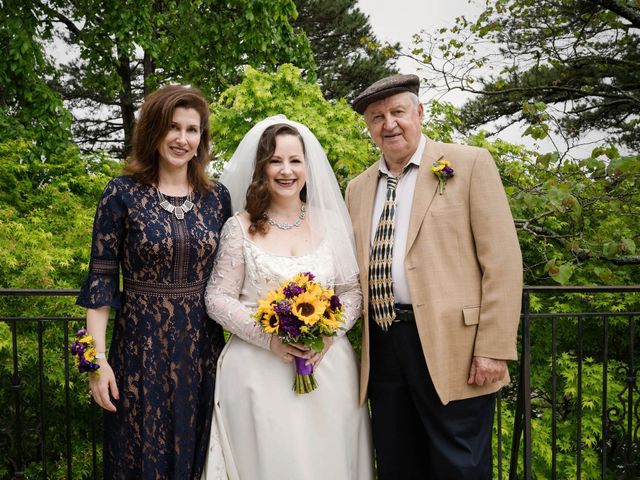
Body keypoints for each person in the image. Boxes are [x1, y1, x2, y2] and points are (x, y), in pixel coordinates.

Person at [345, 74, 523, 479]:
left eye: (397, 112)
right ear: (369, 128)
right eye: (377, 117)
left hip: (454, 348)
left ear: (420, 113)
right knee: (396, 461)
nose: (388, 124)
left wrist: (492, 347)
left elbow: (503, 262)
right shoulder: (357, 188)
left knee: (459, 464)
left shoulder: (469, 164)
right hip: (384, 345)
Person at [202, 116, 373, 480]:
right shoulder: (240, 226)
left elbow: (352, 291)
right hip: (257, 376)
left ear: (308, 167)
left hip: (328, 368)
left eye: (295, 160)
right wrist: (270, 338)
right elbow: (217, 297)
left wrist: (327, 334)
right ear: (261, 168)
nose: (286, 170)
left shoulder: (331, 224)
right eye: (275, 161)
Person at [76, 85, 231, 479]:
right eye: (172, 127)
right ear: (154, 132)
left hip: (203, 352)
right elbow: (100, 286)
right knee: (139, 454)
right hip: (139, 351)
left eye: (192, 130)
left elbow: (234, 277)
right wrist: (97, 362)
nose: (182, 139)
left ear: (202, 138)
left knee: (201, 454)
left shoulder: (218, 198)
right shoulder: (121, 194)